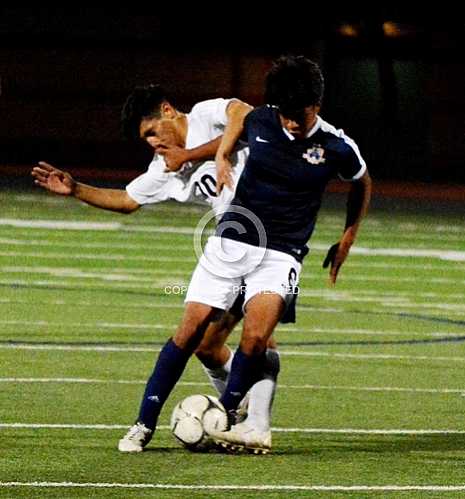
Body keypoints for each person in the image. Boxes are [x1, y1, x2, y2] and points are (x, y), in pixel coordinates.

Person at [112, 55, 372, 454]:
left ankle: (228, 413)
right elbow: (235, 128)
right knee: (191, 331)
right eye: (283, 114)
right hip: (230, 241)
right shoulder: (264, 121)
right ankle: (143, 424)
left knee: (257, 337)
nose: (288, 123)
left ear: (316, 106)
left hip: (282, 253)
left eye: (297, 116)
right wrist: (216, 154)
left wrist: (348, 236)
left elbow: (361, 182)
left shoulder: (337, 146)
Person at [31, 84, 281, 453]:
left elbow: (243, 116)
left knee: (251, 337)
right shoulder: (166, 166)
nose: (150, 141)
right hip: (230, 245)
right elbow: (128, 199)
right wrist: (77, 189)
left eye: (151, 131)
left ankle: (246, 423)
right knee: (209, 347)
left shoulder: (206, 115)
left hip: (272, 236)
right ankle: (234, 411)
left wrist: (191, 154)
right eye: (143, 138)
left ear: (168, 110)